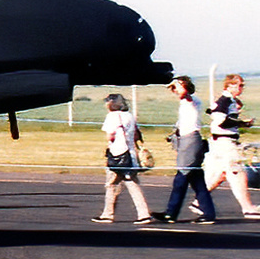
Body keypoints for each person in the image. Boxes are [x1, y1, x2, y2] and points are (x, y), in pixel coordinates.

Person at [158, 76, 215, 225]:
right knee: (196, 179)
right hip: (186, 140)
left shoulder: (192, 101)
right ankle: (208, 213)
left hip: (191, 140)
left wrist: (178, 83)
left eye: (176, 87)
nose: (174, 91)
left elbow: (185, 94)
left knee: (181, 179)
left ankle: (171, 213)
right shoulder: (186, 103)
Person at [203, 74, 260, 220]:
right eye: (239, 85)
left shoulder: (229, 101)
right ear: (229, 86)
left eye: (242, 85)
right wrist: (241, 123)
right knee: (238, 173)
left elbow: (216, 114)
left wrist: (241, 122)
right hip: (225, 142)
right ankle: (248, 208)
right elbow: (221, 121)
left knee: (222, 174)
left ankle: (199, 200)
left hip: (224, 141)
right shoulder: (226, 100)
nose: (241, 88)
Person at [92, 94, 152, 224]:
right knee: (132, 183)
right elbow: (136, 135)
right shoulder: (129, 116)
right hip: (130, 155)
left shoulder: (112, 117)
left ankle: (108, 214)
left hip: (117, 154)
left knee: (111, 184)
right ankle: (144, 213)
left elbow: (110, 136)